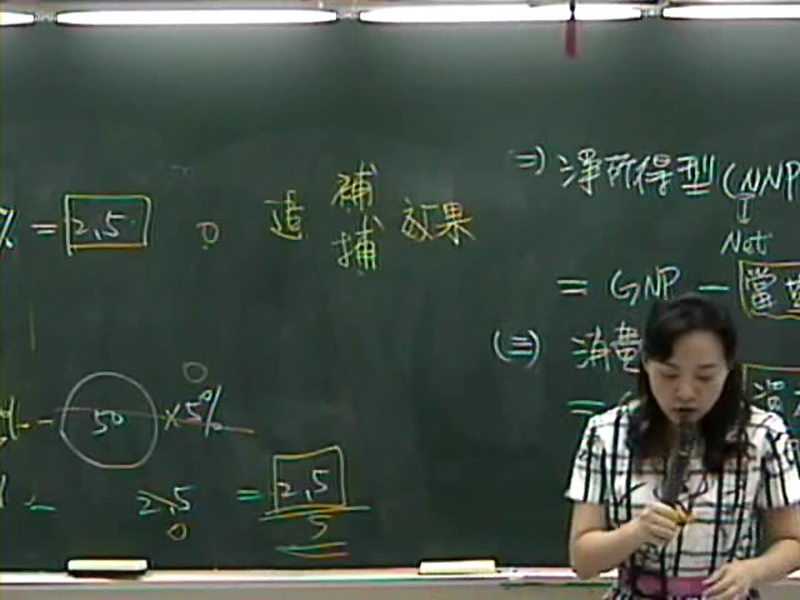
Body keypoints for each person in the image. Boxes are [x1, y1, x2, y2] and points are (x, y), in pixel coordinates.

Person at [565, 294, 800, 599]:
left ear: (728, 369)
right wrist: (637, 532)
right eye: (669, 374)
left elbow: (793, 540)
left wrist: (752, 570)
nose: (686, 392)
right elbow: (583, 561)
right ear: (646, 365)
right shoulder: (606, 433)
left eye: (705, 376)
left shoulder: (763, 434)